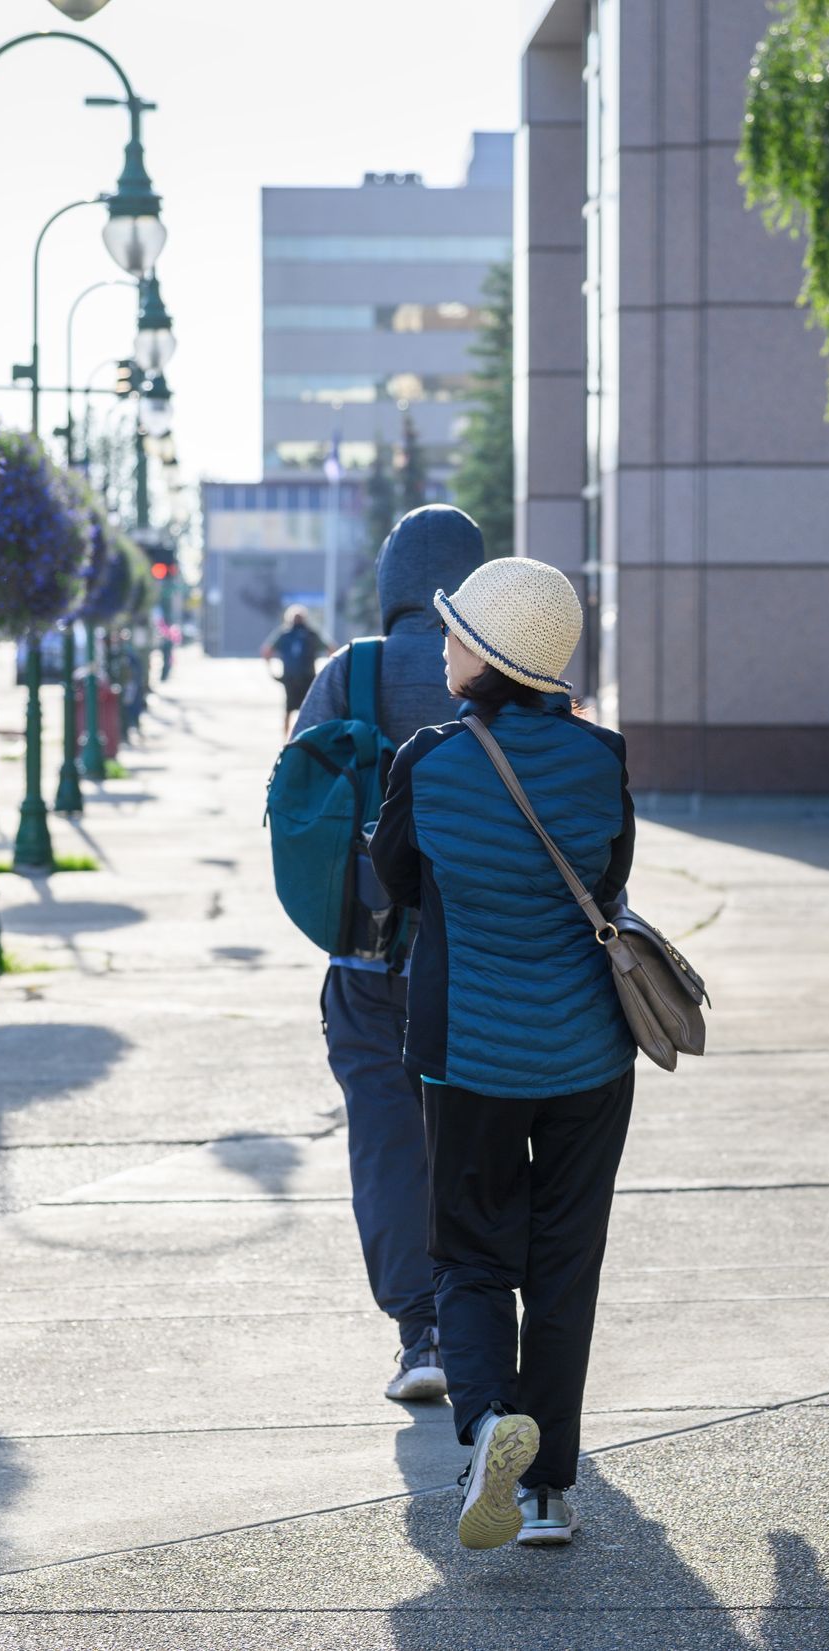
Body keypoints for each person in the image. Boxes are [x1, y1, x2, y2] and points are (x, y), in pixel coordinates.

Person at [369, 555, 637, 1553]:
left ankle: (487, 1427)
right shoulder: (603, 758)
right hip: (586, 1058)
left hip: (469, 1059)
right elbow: (607, 885)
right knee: (565, 1263)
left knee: (471, 1256)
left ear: (483, 654)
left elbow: (391, 883)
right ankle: (551, 1494)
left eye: (452, 632)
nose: (442, 645)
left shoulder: (430, 762)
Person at [290, 504, 486, 1405]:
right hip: (483, 957)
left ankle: (421, 1335)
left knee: (384, 1142)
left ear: (390, 582)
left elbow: (295, 795)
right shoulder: (501, 670)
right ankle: (483, 1324)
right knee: (477, 1143)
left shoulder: (350, 671)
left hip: (369, 958)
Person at [259, 605, 331, 735]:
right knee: (307, 710)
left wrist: (271, 671)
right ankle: (303, 738)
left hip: (292, 677)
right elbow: (332, 649)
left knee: (290, 709)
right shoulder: (310, 634)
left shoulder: (285, 634)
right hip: (306, 677)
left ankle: (289, 740)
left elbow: (266, 651)